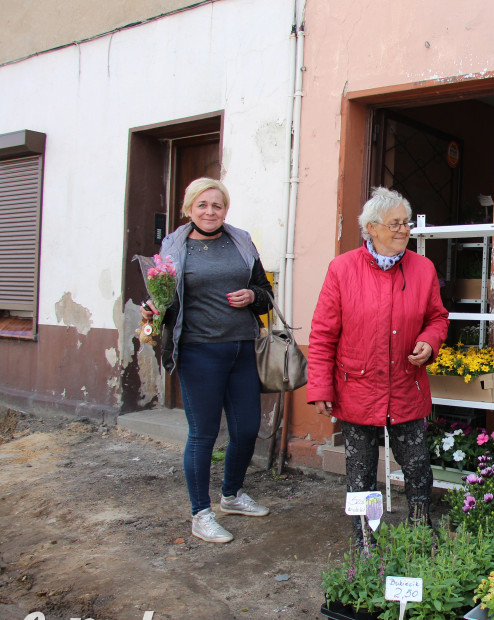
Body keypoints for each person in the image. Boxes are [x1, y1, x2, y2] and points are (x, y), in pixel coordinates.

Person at [306, 187, 449, 539]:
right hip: (358, 388)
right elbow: (323, 333)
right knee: (361, 474)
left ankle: (420, 533)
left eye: (406, 223)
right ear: (371, 228)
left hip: (406, 385)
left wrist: (429, 343)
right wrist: (321, 387)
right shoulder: (342, 269)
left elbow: (438, 318)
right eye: (395, 224)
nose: (403, 230)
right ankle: (367, 537)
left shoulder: (423, 268)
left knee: (417, 468)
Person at [140, 177, 273, 543]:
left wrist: (253, 295)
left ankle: (231, 495)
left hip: (241, 347)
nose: (210, 211)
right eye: (202, 205)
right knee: (203, 434)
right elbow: (160, 298)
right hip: (198, 351)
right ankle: (200, 514)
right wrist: (152, 310)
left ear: (225, 209)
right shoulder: (174, 248)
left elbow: (266, 292)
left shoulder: (241, 241)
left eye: (217, 205)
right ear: (189, 209)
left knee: (246, 429)